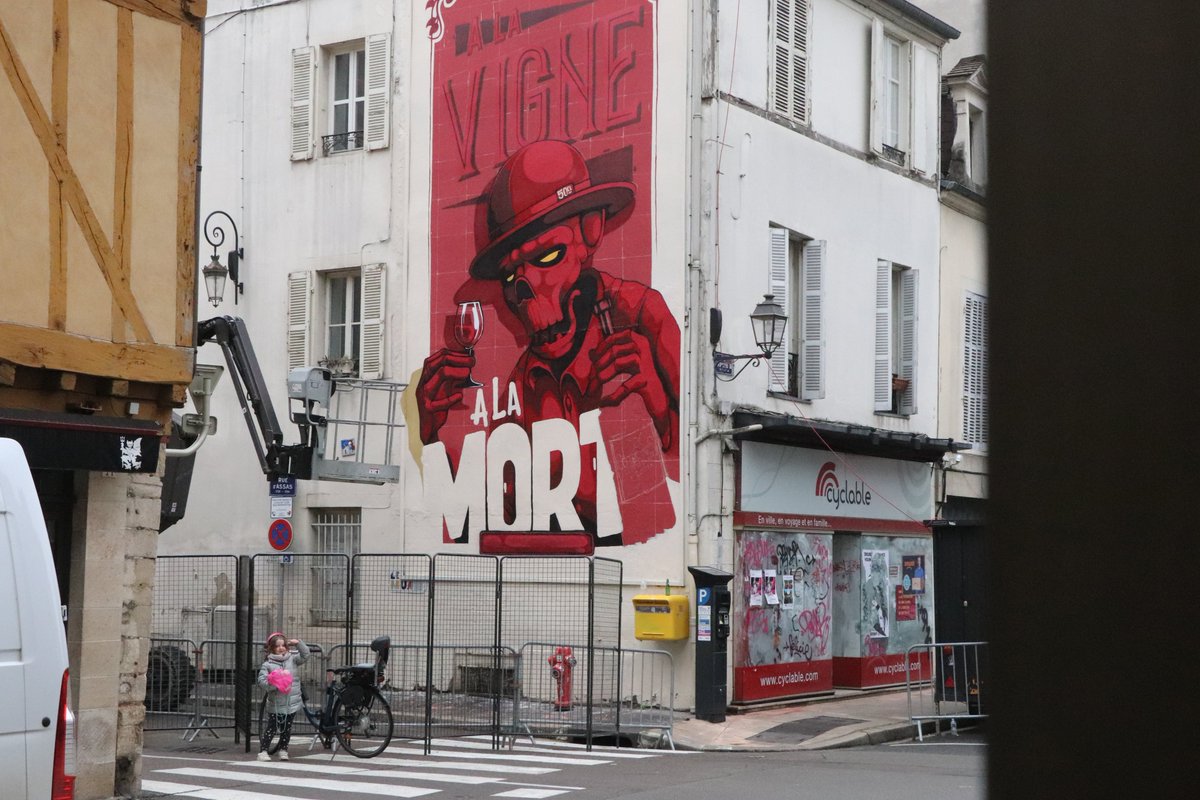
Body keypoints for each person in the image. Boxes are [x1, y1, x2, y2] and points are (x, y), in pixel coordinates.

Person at [417, 139, 681, 546]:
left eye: (546, 257)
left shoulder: (643, 316)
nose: (525, 291)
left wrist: (660, 410)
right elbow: (478, 523)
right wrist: (433, 434)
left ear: (591, 230)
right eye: (511, 278)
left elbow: (689, 490)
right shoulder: (521, 384)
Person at [256, 632, 309, 761]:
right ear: (272, 648)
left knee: (286, 728)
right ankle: (263, 751)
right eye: (277, 646)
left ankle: (283, 750)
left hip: (292, 701)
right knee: (272, 728)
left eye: (283, 645)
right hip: (276, 702)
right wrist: (275, 684)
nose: (281, 648)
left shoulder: (292, 658)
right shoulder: (267, 664)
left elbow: (305, 655)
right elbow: (262, 681)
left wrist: (298, 643)